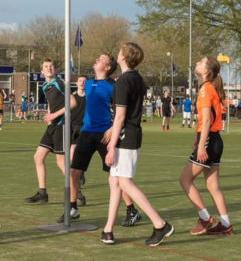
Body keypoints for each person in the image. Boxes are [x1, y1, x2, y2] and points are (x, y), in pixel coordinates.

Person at [102, 43, 174, 246]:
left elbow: (120, 117)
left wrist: (111, 145)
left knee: (124, 182)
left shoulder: (124, 81)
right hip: (130, 134)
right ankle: (108, 230)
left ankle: (160, 225)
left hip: (127, 136)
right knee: (115, 181)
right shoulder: (135, 78)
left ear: (124, 57)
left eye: (121, 50)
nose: (118, 51)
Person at [179, 56, 233, 237]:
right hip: (216, 139)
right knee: (213, 186)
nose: (196, 63)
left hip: (209, 140)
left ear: (206, 71)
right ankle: (225, 224)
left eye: (200, 62)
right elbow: (207, 118)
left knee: (185, 180)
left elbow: (208, 119)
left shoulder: (205, 89)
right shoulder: (211, 88)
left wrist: (201, 145)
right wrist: (197, 137)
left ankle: (205, 218)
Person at [60, 53, 116, 223]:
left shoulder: (113, 86)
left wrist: (113, 129)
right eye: (97, 57)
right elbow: (73, 99)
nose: (97, 59)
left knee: (115, 175)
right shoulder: (89, 83)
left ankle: (131, 209)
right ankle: (72, 208)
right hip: (86, 132)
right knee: (74, 171)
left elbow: (122, 111)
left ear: (107, 67)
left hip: (104, 134)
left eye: (101, 59)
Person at [25, 58, 76, 204]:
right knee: (38, 157)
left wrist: (54, 115)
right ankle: (42, 193)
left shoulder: (60, 83)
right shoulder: (45, 86)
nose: (49, 68)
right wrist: (49, 115)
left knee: (61, 162)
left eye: (51, 66)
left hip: (62, 125)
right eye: (46, 66)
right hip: (52, 126)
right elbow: (51, 103)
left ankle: (76, 192)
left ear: (55, 69)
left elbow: (72, 103)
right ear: (41, 71)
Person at [70, 75, 87, 206]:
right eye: (80, 81)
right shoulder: (72, 96)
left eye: (84, 81)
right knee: (72, 159)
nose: (82, 83)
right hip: (73, 128)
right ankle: (79, 177)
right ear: (76, 83)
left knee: (78, 156)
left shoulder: (89, 97)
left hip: (85, 129)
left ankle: (80, 174)